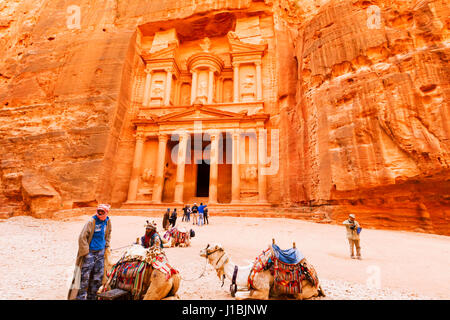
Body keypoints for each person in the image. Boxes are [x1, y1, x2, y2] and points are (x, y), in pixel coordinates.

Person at [68, 204, 112, 300]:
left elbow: (108, 233)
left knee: (97, 277)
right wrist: (86, 252)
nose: (100, 213)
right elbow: (82, 237)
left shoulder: (107, 221)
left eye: (102, 212)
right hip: (90, 253)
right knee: (85, 277)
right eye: (98, 211)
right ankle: (80, 297)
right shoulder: (91, 221)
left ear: (106, 212)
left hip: (100, 253)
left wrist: (106, 246)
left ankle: (92, 297)